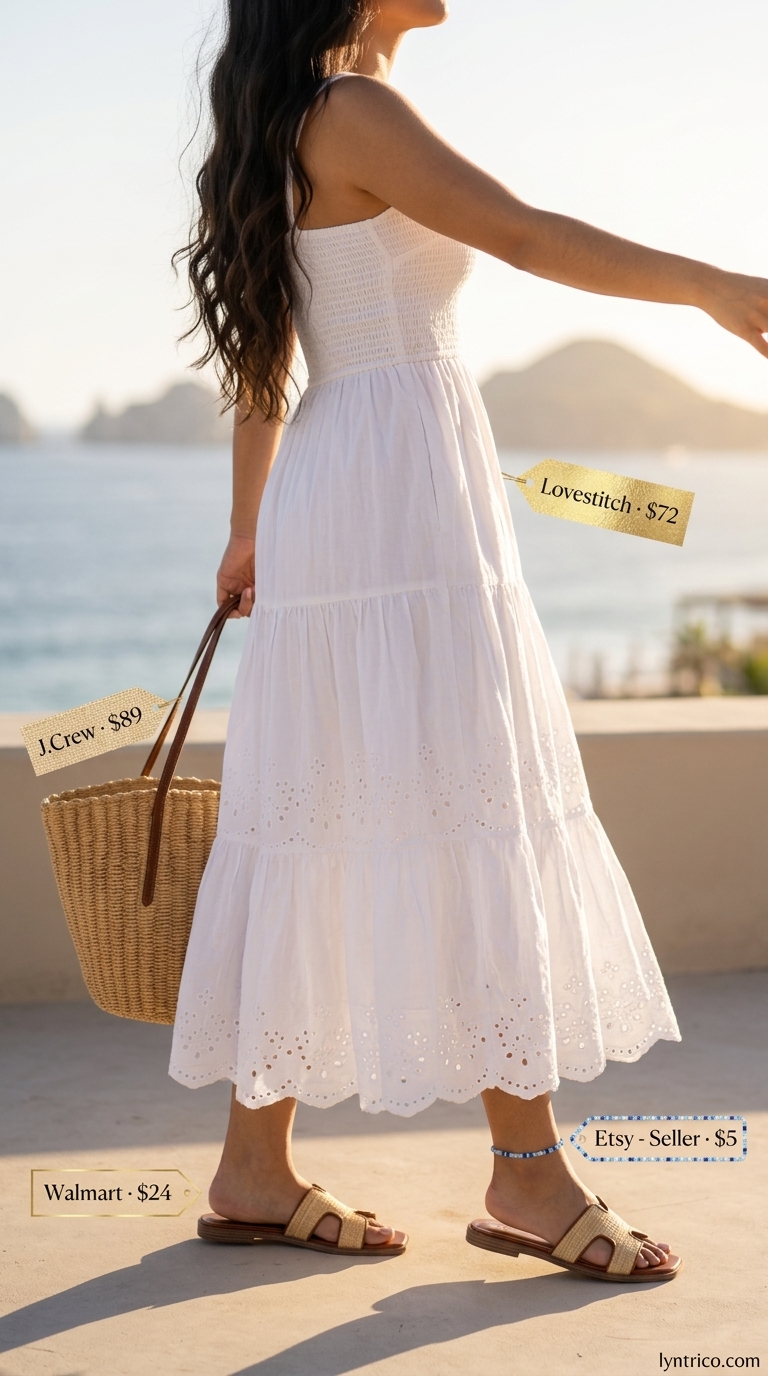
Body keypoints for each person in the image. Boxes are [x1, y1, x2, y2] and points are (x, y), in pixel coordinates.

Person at [169, 0, 768, 1280]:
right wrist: (715, 287)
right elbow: (526, 234)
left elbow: (266, 364)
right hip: (399, 498)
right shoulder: (354, 109)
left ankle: (254, 1166)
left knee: (327, 809)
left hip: (352, 487)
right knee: (463, 799)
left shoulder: (295, 113)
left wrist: (249, 531)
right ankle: (527, 1178)